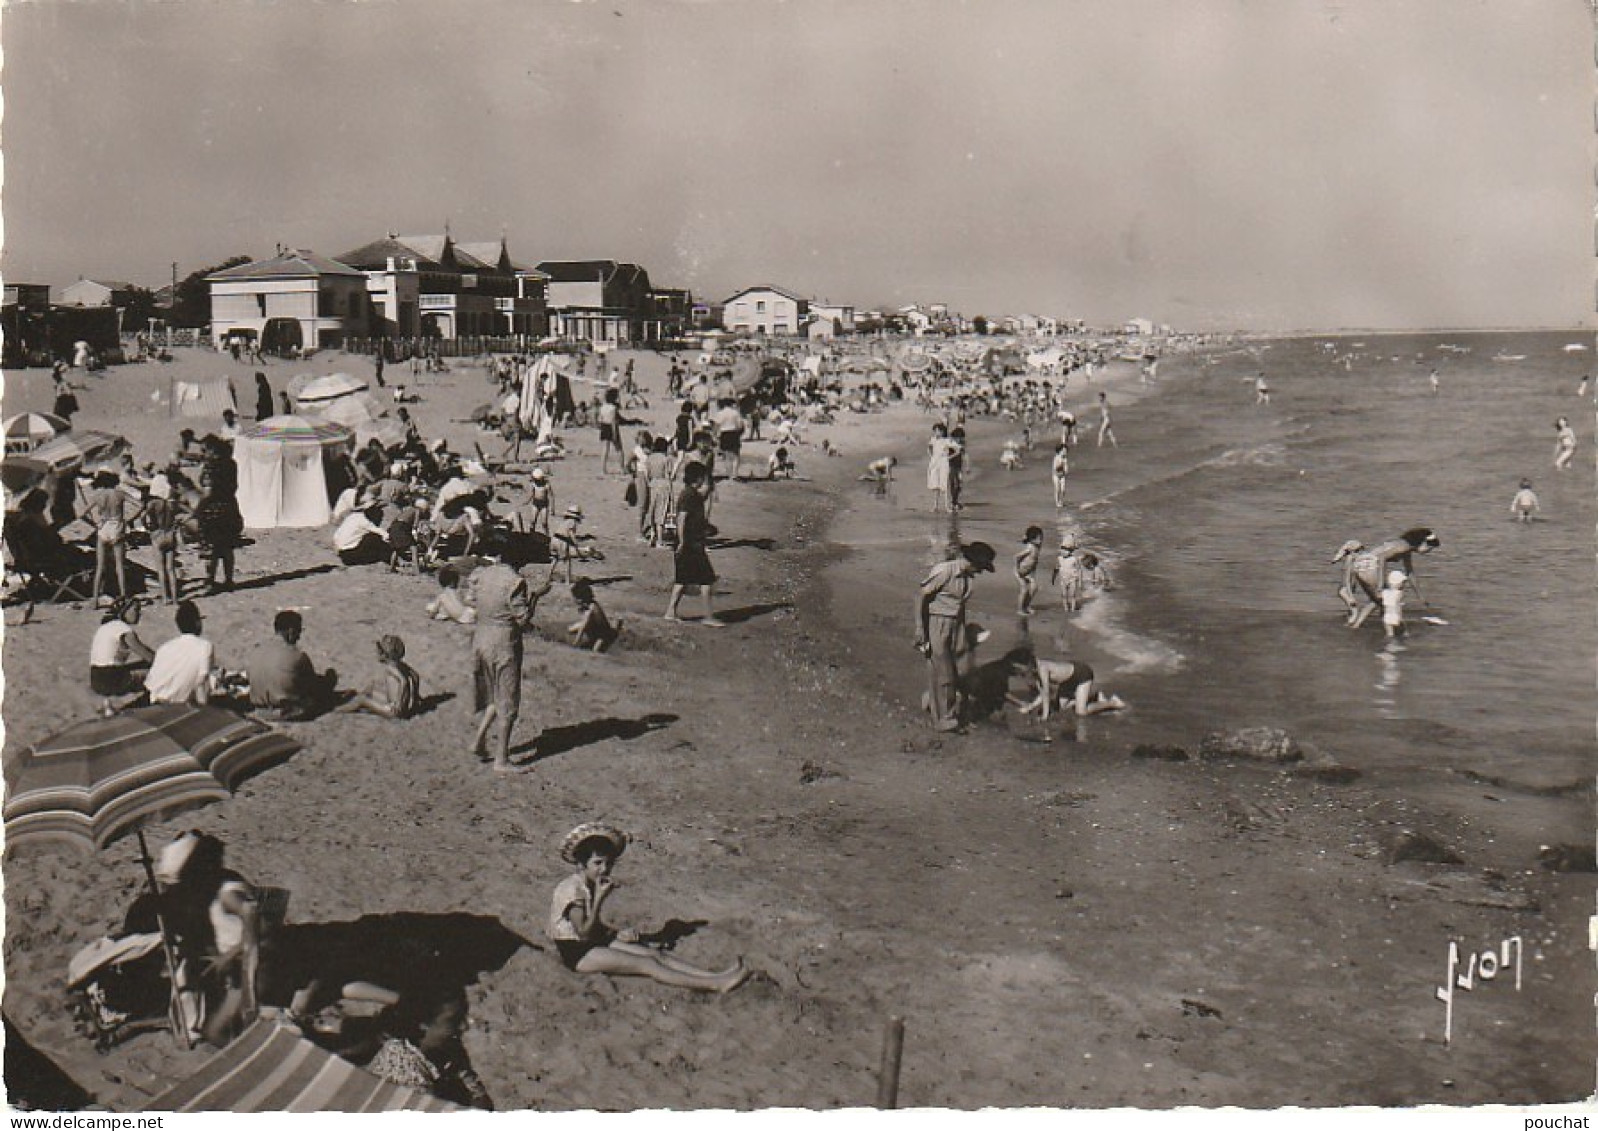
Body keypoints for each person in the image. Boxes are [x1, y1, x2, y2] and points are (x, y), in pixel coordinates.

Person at [547, 823, 749, 993]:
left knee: (654, 954)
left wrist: (615, 934)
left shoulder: (588, 882)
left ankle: (715, 975)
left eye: (608, 864)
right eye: (597, 863)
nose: (604, 869)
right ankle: (716, 985)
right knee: (647, 964)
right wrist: (600, 899)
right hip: (576, 953)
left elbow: (593, 926)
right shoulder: (572, 891)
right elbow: (582, 933)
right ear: (581, 865)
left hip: (592, 941)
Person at [468, 557, 548, 773]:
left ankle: (479, 741)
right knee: (507, 700)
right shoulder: (514, 581)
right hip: (503, 644)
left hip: (480, 638)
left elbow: (471, 601)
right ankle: (501, 760)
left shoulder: (481, 574)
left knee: (493, 696)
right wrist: (536, 597)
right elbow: (523, 619)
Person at [366, 986, 492, 1110]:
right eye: (454, 1020)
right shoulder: (403, 1070)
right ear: (423, 1025)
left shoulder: (447, 1047)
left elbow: (478, 1094)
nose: (465, 1026)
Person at [913, 541, 995, 733]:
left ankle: (934, 703)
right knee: (943, 672)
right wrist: (919, 628)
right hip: (937, 621)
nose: (981, 572)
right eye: (981, 568)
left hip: (956, 624)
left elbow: (960, 605)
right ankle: (943, 720)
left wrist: (962, 633)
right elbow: (920, 597)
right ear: (973, 563)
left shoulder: (967, 577)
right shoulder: (945, 571)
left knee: (958, 670)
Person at [247, 609, 337, 720]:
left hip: (259, 710)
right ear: (291, 631)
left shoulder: (256, 650)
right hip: (287, 712)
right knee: (327, 682)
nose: (299, 637)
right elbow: (313, 687)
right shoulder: (297, 655)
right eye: (299, 631)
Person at [664, 462, 723, 626]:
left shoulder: (691, 495)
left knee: (683, 580)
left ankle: (671, 612)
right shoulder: (689, 495)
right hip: (690, 544)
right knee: (705, 579)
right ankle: (708, 616)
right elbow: (681, 519)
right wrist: (682, 541)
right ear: (698, 479)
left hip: (692, 543)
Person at [1345, 528, 1440, 628]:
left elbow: (1410, 573)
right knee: (1385, 600)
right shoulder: (1404, 547)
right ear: (1422, 542)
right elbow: (1382, 558)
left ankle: (1356, 625)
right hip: (1369, 566)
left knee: (1377, 601)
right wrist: (1380, 586)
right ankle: (1390, 631)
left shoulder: (1404, 547)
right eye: (1429, 548)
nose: (1428, 551)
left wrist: (1420, 597)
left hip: (1359, 565)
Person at [1010, 655, 1127, 720]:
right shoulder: (1035, 671)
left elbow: (1046, 693)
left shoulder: (1042, 668)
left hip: (1081, 674)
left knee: (1081, 712)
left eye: (1021, 669)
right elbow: (1042, 693)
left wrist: (1045, 715)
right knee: (1063, 707)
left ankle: (1113, 702)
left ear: (1029, 665)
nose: (1020, 672)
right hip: (1067, 680)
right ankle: (1093, 696)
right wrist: (1031, 707)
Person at [144, 600, 216, 705]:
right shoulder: (204, 646)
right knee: (211, 679)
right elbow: (201, 683)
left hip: (154, 700)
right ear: (197, 623)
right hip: (178, 705)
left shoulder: (164, 647)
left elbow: (151, 683)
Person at [89, 598, 156, 707]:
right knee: (157, 674)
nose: (139, 614)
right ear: (124, 610)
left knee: (142, 664)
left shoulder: (107, 626)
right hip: (111, 679)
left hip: (95, 678)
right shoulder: (124, 630)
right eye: (135, 610)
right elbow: (146, 655)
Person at [335, 635, 421, 719]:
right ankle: (359, 703)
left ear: (384, 655)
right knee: (372, 687)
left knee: (362, 700)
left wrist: (398, 704)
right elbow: (415, 676)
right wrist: (415, 698)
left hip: (393, 710)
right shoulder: (400, 665)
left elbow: (403, 681)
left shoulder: (391, 668)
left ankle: (338, 710)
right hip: (398, 706)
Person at [85, 470, 139, 602]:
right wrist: (130, 519)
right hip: (117, 527)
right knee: (119, 566)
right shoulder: (119, 494)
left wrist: (95, 523)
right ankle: (123, 595)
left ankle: (95, 600)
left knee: (100, 567)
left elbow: (83, 513)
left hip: (103, 528)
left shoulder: (98, 495)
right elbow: (140, 505)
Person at [192, 472, 243, 593]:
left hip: (213, 520)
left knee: (212, 552)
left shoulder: (210, 480)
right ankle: (228, 580)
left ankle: (210, 581)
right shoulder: (228, 489)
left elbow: (206, 497)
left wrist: (196, 512)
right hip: (226, 517)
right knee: (226, 551)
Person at [143, 481, 183, 604]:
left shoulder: (153, 503)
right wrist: (177, 525)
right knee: (171, 569)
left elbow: (142, 516)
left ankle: (165, 597)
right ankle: (175, 598)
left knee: (161, 569)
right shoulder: (172, 504)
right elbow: (188, 512)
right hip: (170, 534)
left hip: (158, 534)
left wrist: (147, 527)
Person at [567, 579, 621, 652]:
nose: (574, 601)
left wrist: (576, 642)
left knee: (596, 651)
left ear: (581, 599)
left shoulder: (591, 609)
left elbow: (583, 627)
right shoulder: (589, 605)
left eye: (575, 599)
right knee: (572, 629)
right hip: (596, 630)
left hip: (604, 635)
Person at [1015, 526, 1042, 616]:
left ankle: (1026, 606)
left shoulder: (1038, 547)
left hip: (1029, 572)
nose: (1040, 540)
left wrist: (1032, 575)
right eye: (1038, 538)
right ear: (1032, 539)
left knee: (1034, 588)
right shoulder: (1030, 548)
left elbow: (1034, 562)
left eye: (1041, 538)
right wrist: (1017, 568)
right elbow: (1017, 557)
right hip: (1020, 572)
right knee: (1024, 590)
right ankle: (1020, 609)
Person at [1053, 537, 1084, 612]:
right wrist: (1053, 577)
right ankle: (1066, 608)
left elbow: (1079, 569)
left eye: (1066, 550)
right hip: (1063, 579)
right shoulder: (1059, 558)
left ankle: (1072, 609)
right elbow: (1056, 568)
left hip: (1072, 579)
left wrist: (1079, 581)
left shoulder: (1074, 559)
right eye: (1062, 549)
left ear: (1071, 551)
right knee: (1063, 595)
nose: (1063, 551)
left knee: (1072, 595)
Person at [926, 423, 952, 512]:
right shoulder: (933, 439)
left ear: (942, 432)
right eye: (935, 431)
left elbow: (957, 450)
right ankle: (935, 506)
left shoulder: (946, 441)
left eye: (937, 431)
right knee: (935, 484)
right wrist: (931, 456)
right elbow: (928, 448)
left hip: (943, 462)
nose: (936, 433)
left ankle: (946, 506)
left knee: (944, 484)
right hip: (935, 462)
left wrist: (948, 457)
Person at [1380, 569, 1407, 640]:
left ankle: (1388, 643)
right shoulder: (1399, 593)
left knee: (1390, 634)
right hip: (1395, 615)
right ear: (1398, 583)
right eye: (1402, 583)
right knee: (1403, 631)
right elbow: (1397, 606)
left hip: (1386, 616)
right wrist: (1400, 618)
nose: (1403, 584)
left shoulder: (1384, 592)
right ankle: (1404, 636)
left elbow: (1383, 606)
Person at [1051, 443, 1070, 508]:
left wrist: (1066, 469)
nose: (1065, 452)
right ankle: (1057, 502)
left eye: (1066, 451)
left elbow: (1066, 467)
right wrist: (1061, 464)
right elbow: (1056, 468)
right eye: (1064, 451)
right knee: (1057, 489)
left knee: (1063, 489)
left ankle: (1061, 501)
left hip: (1062, 475)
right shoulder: (1056, 457)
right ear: (1059, 451)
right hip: (1056, 475)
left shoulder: (1065, 458)